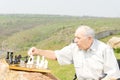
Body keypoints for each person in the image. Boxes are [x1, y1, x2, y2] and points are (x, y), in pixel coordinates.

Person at [28, 25, 120, 80]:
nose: (75, 40)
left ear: (89, 38)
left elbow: (113, 75)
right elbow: (56, 55)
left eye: (78, 38)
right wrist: (38, 51)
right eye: (75, 37)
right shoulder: (74, 48)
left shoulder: (104, 50)